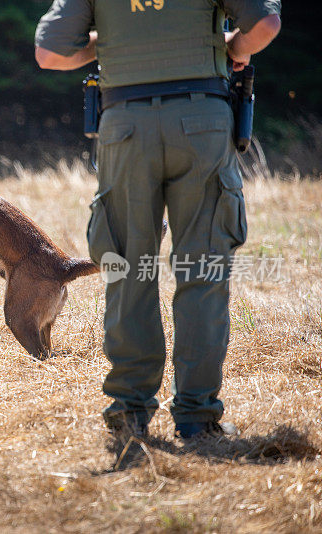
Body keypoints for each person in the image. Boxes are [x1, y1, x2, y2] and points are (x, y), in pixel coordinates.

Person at [35, 0, 281, 440]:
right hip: (203, 123)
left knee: (127, 269)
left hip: (126, 125)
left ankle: (130, 410)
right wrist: (233, 46)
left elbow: (50, 54)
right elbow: (264, 25)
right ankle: (196, 416)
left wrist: (108, 43)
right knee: (202, 272)